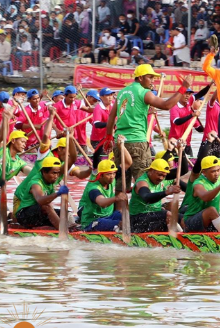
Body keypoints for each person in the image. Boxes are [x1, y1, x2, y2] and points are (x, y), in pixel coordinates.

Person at [105, 64, 193, 193]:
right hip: (137, 143)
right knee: (144, 184)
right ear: (140, 78)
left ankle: (120, 211)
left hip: (119, 143)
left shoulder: (122, 92)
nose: (152, 80)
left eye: (154, 77)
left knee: (121, 188)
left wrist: (108, 137)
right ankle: (144, 212)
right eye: (150, 77)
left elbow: (111, 117)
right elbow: (166, 105)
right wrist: (184, 87)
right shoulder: (144, 92)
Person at [180, 156, 220, 233]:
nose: (217, 174)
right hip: (191, 222)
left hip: (209, 221)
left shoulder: (219, 177)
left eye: (218, 170)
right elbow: (205, 197)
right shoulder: (198, 184)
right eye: (213, 171)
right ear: (204, 172)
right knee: (211, 210)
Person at [14, 156, 70, 229]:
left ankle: (71, 227)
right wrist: (57, 194)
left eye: (58, 173)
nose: (56, 176)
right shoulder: (36, 183)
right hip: (24, 216)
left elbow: (72, 158)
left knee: (66, 214)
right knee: (46, 206)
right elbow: (40, 200)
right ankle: (62, 230)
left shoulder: (51, 179)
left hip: (39, 213)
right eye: (54, 173)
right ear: (44, 172)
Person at [129, 158, 182, 233]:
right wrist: (166, 192)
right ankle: (182, 237)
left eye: (164, 176)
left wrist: (182, 152)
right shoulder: (142, 182)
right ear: (150, 171)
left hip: (152, 216)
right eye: (159, 175)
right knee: (168, 215)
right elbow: (147, 198)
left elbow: (183, 170)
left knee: (181, 217)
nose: (161, 178)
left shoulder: (161, 180)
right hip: (137, 219)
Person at [79, 159, 126, 232]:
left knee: (126, 217)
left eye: (114, 173)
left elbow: (128, 162)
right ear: (100, 175)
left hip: (108, 217)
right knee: (122, 224)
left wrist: (120, 147)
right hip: (92, 222)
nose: (112, 176)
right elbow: (102, 203)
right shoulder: (93, 189)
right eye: (108, 174)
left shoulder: (110, 180)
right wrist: (116, 198)